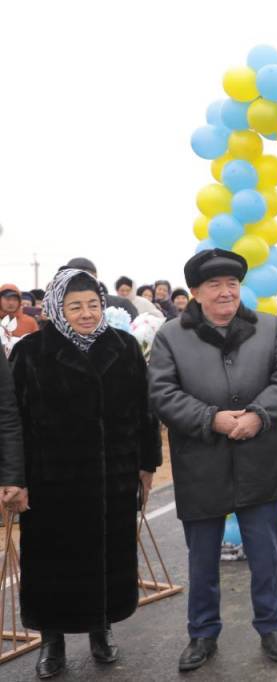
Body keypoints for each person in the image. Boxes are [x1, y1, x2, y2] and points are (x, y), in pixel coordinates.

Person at [1, 267, 161, 679]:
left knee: (106, 559)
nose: (87, 313)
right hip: (52, 483)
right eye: (75, 306)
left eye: (93, 304)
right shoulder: (31, 352)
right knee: (52, 565)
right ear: (57, 308)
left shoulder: (123, 347)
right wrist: (14, 478)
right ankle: (51, 641)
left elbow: (145, 411)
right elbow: (13, 420)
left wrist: (147, 464)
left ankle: (100, 630)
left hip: (113, 478)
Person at [148, 249, 277, 671]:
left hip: (260, 459)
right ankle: (202, 633)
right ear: (195, 292)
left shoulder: (268, 327)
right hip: (201, 463)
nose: (225, 292)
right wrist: (210, 418)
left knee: (265, 554)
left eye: (231, 283)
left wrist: (258, 415)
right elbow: (162, 393)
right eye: (213, 285)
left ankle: (271, 626)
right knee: (201, 559)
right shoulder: (171, 336)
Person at [65, 257, 138, 321]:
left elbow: (137, 329)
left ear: (95, 276)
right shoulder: (60, 306)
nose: (86, 315)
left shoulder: (122, 304)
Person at [0, 283, 39, 355]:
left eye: (15, 299)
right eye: (7, 299)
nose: (11, 303)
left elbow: (37, 347)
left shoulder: (30, 322)